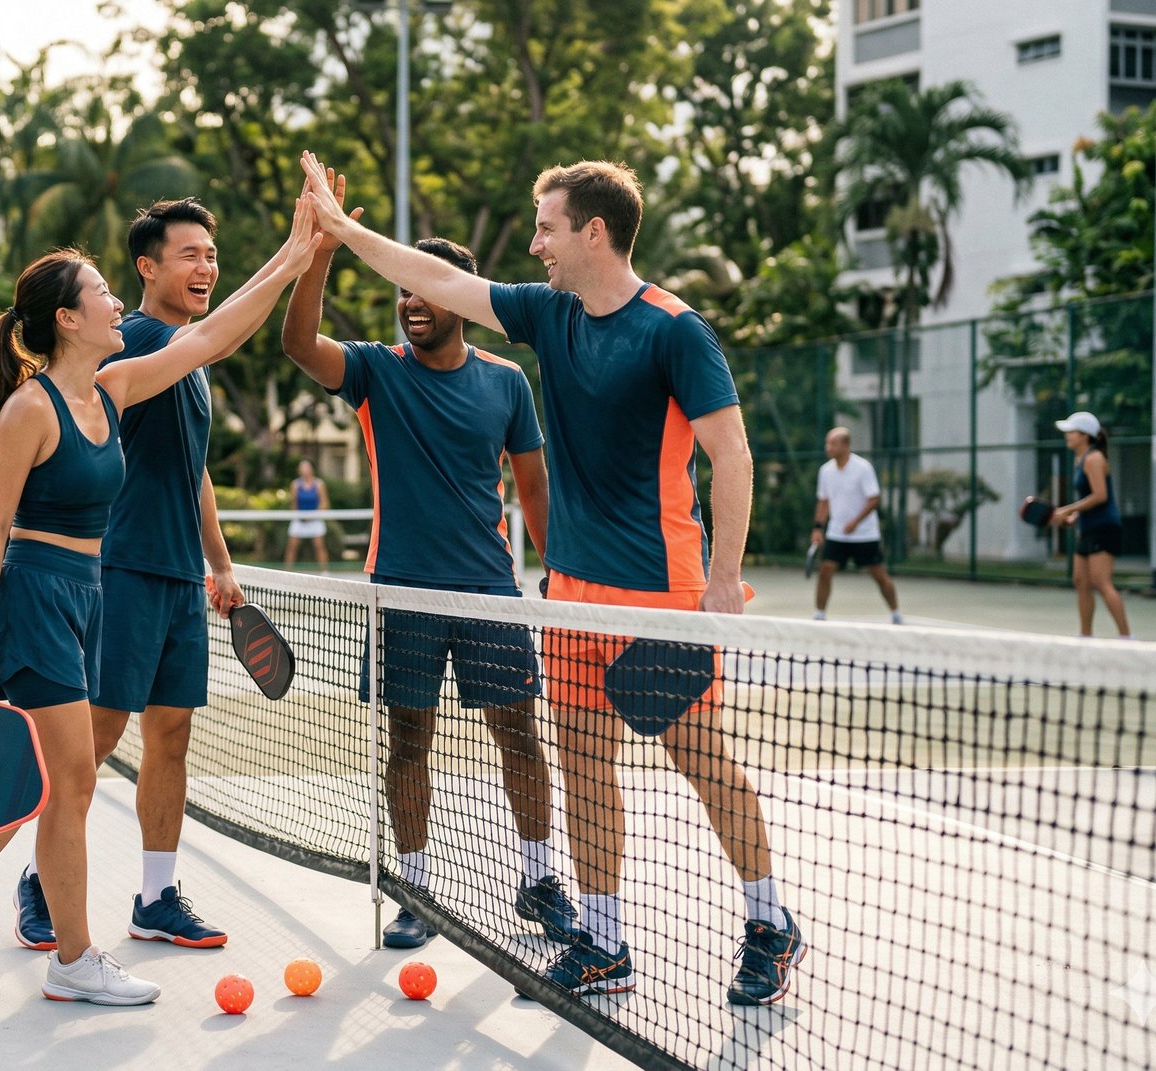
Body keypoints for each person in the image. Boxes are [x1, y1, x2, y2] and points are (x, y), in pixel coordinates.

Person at [296, 150, 803, 1006]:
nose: (535, 245)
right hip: (571, 590)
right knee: (584, 765)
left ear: (592, 231)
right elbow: (437, 280)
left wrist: (723, 580)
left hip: (662, 591)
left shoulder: (675, 329)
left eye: (546, 227)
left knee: (700, 760)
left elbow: (732, 453)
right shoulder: (547, 316)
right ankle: (603, 940)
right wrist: (341, 234)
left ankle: (769, 920)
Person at [0, 201, 320, 1006]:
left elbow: (211, 335)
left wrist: (294, 257)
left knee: (51, 781)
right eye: (101, 294)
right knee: (71, 780)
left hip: (86, 596)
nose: (117, 302)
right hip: (36, 599)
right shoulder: (27, 409)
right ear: (67, 318)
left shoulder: (113, 391)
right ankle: (72, 956)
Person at [282, 203, 579, 952]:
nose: (410, 302)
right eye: (402, 293)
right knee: (409, 742)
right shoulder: (375, 370)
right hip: (401, 592)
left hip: (490, 593)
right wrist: (319, 252)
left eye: (423, 290)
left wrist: (556, 574)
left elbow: (535, 490)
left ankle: (540, 879)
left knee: (521, 737)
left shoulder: (509, 383)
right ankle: (412, 887)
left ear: (461, 298)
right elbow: (296, 342)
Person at [14, 198, 292, 955]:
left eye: (211, 253)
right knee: (91, 743)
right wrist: (299, 249)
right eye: (190, 254)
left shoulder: (188, 365)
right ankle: (40, 884)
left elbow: (189, 466)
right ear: (148, 267)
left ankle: (157, 896)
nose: (206, 266)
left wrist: (220, 560)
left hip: (175, 576)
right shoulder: (129, 344)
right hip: (119, 570)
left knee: (170, 736)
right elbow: (220, 333)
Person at [1046, 411, 1133, 639]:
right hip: (1088, 527)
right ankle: (1085, 635)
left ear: (1084, 435)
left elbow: (1100, 496)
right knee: (1081, 581)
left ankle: (1126, 637)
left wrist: (1066, 509)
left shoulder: (1094, 459)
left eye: (1071, 431)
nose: (1067, 435)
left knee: (1101, 582)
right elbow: (1090, 498)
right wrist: (1074, 518)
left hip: (1104, 527)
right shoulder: (1081, 459)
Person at [811, 428, 900, 623]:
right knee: (825, 570)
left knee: (879, 575)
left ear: (846, 445)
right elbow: (823, 502)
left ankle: (895, 613)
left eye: (833, 443)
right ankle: (819, 614)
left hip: (865, 534)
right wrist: (818, 528)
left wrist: (855, 522)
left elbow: (874, 499)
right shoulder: (825, 471)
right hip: (837, 533)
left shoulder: (863, 468)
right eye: (828, 443)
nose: (828, 447)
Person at [284, 459, 330, 570]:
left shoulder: (319, 484)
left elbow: (324, 503)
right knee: (292, 546)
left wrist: (313, 516)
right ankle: (287, 572)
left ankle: (325, 572)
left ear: (311, 469)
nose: (305, 470)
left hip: (315, 520)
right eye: (302, 467)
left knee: (319, 546)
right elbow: (294, 503)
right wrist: (300, 516)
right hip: (299, 520)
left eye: (307, 467)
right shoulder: (295, 484)